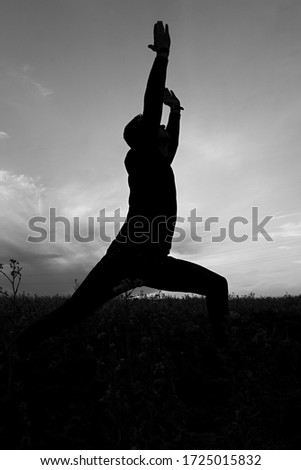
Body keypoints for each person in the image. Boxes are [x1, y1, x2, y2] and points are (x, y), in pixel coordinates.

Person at [16, 21, 229, 353]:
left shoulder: (157, 163)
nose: (155, 122)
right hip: (127, 258)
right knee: (71, 314)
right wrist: (162, 55)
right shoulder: (140, 157)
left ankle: (223, 353)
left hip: (153, 261)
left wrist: (176, 111)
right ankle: (16, 347)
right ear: (139, 138)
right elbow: (150, 107)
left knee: (217, 286)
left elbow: (170, 148)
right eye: (148, 121)